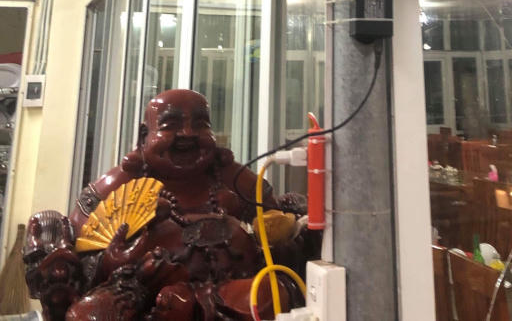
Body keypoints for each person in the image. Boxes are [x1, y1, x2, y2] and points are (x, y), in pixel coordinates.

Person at [24, 89, 311, 321]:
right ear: (144, 136)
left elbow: (280, 225)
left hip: (228, 292)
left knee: (270, 294)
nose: (187, 133)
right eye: (171, 125)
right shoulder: (119, 184)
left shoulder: (233, 179)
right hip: (142, 294)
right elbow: (79, 250)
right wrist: (115, 261)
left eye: (200, 124)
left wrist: (275, 235)